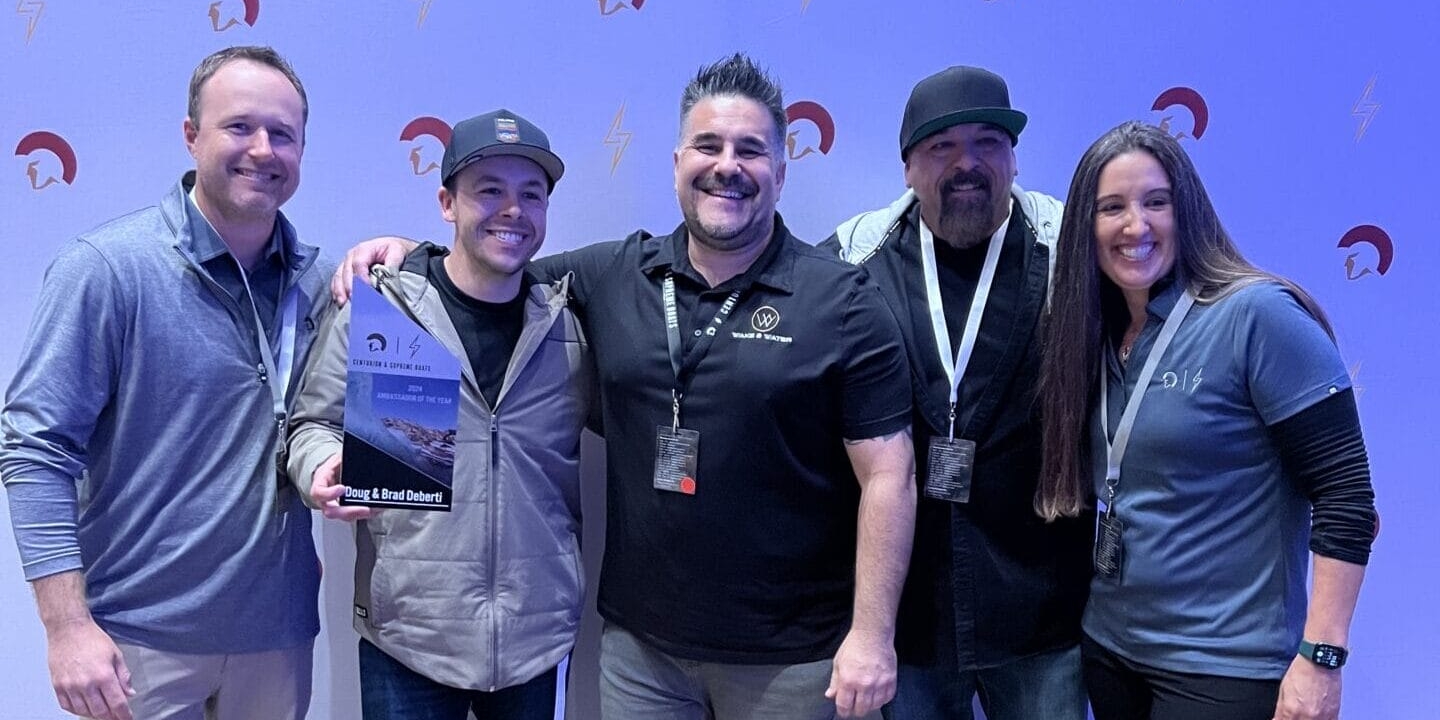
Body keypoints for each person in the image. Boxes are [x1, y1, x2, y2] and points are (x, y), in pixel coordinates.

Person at [336, 53, 917, 720]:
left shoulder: (843, 299)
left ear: (780, 174)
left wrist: (872, 637)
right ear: (677, 165)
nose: (727, 164)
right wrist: (406, 251)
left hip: (793, 660)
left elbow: (889, 478)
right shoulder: (614, 273)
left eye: (750, 149)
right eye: (708, 145)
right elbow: (492, 265)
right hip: (642, 656)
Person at [1, 46, 325, 720]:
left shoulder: (317, 284)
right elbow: (34, 451)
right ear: (190, 135)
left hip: (279, 641)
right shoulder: (107, 269)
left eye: (283, 134)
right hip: (137, 641)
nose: (263, 149)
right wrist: (66, 629)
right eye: (239, 127)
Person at [1036, 120, 1376, 720]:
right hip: (1113, 652)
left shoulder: (1258, 315)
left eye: (1155, 202)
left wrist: (1322, 659)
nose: (1134, 226)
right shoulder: (1097, 333)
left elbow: (1348, 498)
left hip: (1226, 670)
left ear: (1186, 209)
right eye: (1111, 207)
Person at [286, 109, 591, 720]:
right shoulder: (384, 312)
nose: (513, 209)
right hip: (410, 637)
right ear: (446, 202)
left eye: (531, 194)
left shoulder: (571, 328)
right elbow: (311, 423)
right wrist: (320, 467)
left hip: (537, 640)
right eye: (490, 191)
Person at [821, 65, 1091, 720]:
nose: (967, 163)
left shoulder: (1073, 257)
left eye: (988, 143)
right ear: (909, 168)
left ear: (1014, 159)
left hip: (1041, 615)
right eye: (942, 147)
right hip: (906, 621)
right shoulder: (853, 263)